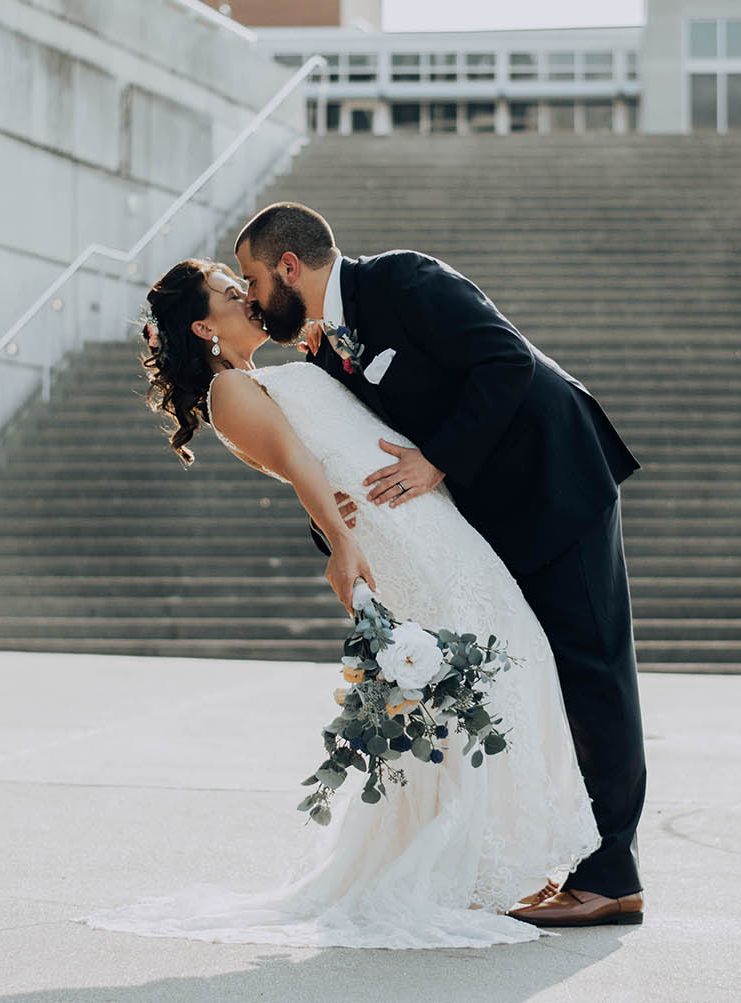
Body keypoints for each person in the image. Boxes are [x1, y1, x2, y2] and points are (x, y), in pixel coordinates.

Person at [82, 259, 601, 949]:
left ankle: (490, 859)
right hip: (395, 534)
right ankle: (478, 865)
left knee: (502, 661)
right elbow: (301, 463)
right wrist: (342, 543)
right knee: (499, 661)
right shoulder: (230, 390)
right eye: (231, 294)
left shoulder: (270, 370)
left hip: (418, 511)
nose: (246, 296)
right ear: (205, 325)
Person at [235, 204, 646, 930]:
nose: (252, 296)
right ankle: (581, 859)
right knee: (541, 670)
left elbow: (505, 360)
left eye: (253, 279)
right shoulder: (327, 352)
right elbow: (347, 452)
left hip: (559, 480)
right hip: (497, 517)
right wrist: (336, 531)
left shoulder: (403, 278)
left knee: (594, 669)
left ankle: (612, 876)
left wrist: (438, 457)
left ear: (289, 268)